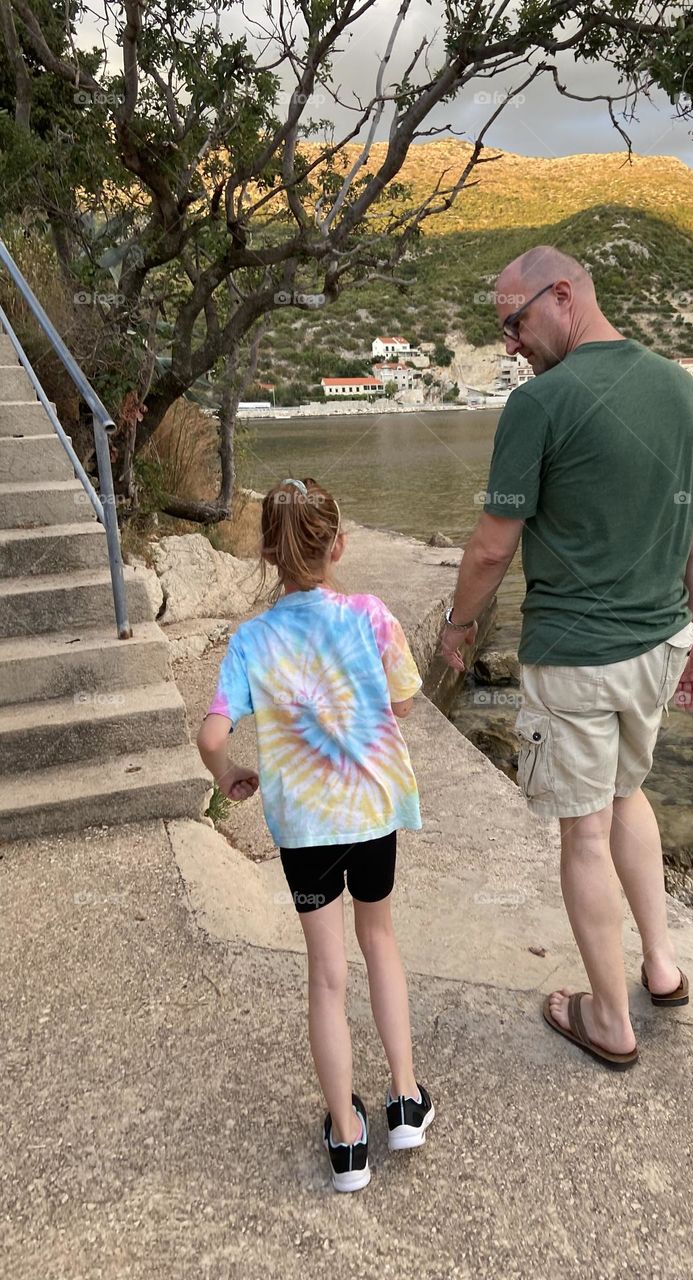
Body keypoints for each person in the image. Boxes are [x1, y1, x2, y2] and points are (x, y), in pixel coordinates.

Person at [440, 246, 693, 1070]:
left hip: (578, 658)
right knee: (630, 793)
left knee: (584, 833)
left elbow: (493, 548)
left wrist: (459, 627)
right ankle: (661, 969)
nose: (511, 345)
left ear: (561, 297)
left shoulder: (541, 405)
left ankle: (608, 1018)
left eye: (514, 323)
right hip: (660, 645)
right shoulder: (685, 391)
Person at [197, 477, 434, 1191]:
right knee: (380, 942)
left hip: (305, 830)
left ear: (268, 552)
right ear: (338, 545)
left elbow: (212, 734)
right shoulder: (370, 614)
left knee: (327, 977)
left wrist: (229, 773)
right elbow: (403, 698)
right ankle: (404, 1100)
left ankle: (346, 1138)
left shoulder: (251, 640)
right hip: (371, 812)